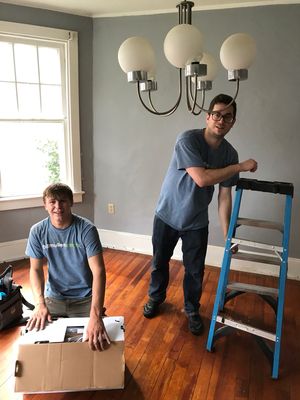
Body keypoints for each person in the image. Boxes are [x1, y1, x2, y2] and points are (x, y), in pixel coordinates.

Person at [143, 93, 258, 336]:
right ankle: (156, 298)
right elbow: (202, 178)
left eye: (228, 117)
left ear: (233, 122)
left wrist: (228, 236)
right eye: (216, 114)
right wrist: (239, 168)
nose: (221, 120)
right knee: (159, 262)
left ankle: (192, 309)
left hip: (196, 221)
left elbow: (224, 197)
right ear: (207, 117)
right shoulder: (188, 140)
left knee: (195, 271)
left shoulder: (229, 154)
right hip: (167, 214)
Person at [25, 183, 110, 351]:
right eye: (52, 202)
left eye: (63, 201)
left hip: (84, 298)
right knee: (39, 344)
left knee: (98, 342)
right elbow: (35, 270)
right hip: (54, 298)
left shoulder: (87, 230)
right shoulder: (37, 231)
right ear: (45, 205)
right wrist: (40, 304)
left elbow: (99, 271)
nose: (58, 206)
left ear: (71, 202)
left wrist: (96, 315)